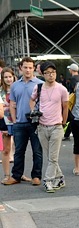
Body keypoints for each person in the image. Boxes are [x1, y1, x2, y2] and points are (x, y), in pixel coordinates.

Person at [3, 57, 44, 186]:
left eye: (30, 67)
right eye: (25, 67)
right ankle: (16, 176)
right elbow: (12, 104)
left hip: (35, 122)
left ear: (34, 69)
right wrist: (14, 121)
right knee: (19, 151)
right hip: (19, 123)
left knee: (37, 150)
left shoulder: (40, 84)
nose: (28, 70)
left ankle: (36, 176)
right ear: (20, 68)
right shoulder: (15, 85)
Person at [29, 61, 69, 192]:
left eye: (53, 72)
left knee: (52, 158)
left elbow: (65, 107)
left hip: (56, 126)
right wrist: (33, 111)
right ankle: (60, 178)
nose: (51, 75)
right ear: (43, 74)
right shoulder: (38, 87)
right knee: (51, 157)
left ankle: (48, 180)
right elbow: (32, 100)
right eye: (47, 73)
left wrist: (63, 123)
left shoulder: (62, 89)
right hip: (41, 126)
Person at [0, 67, 15, 183]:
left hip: (18, 120)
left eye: (10, 76)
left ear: (13, 77)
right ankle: (6, 174)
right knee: (6, 150)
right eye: (5, 77)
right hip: (5, 122)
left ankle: (18, 174)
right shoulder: (1, 91)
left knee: (20, 149)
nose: (8, 79)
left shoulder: (18, 89)